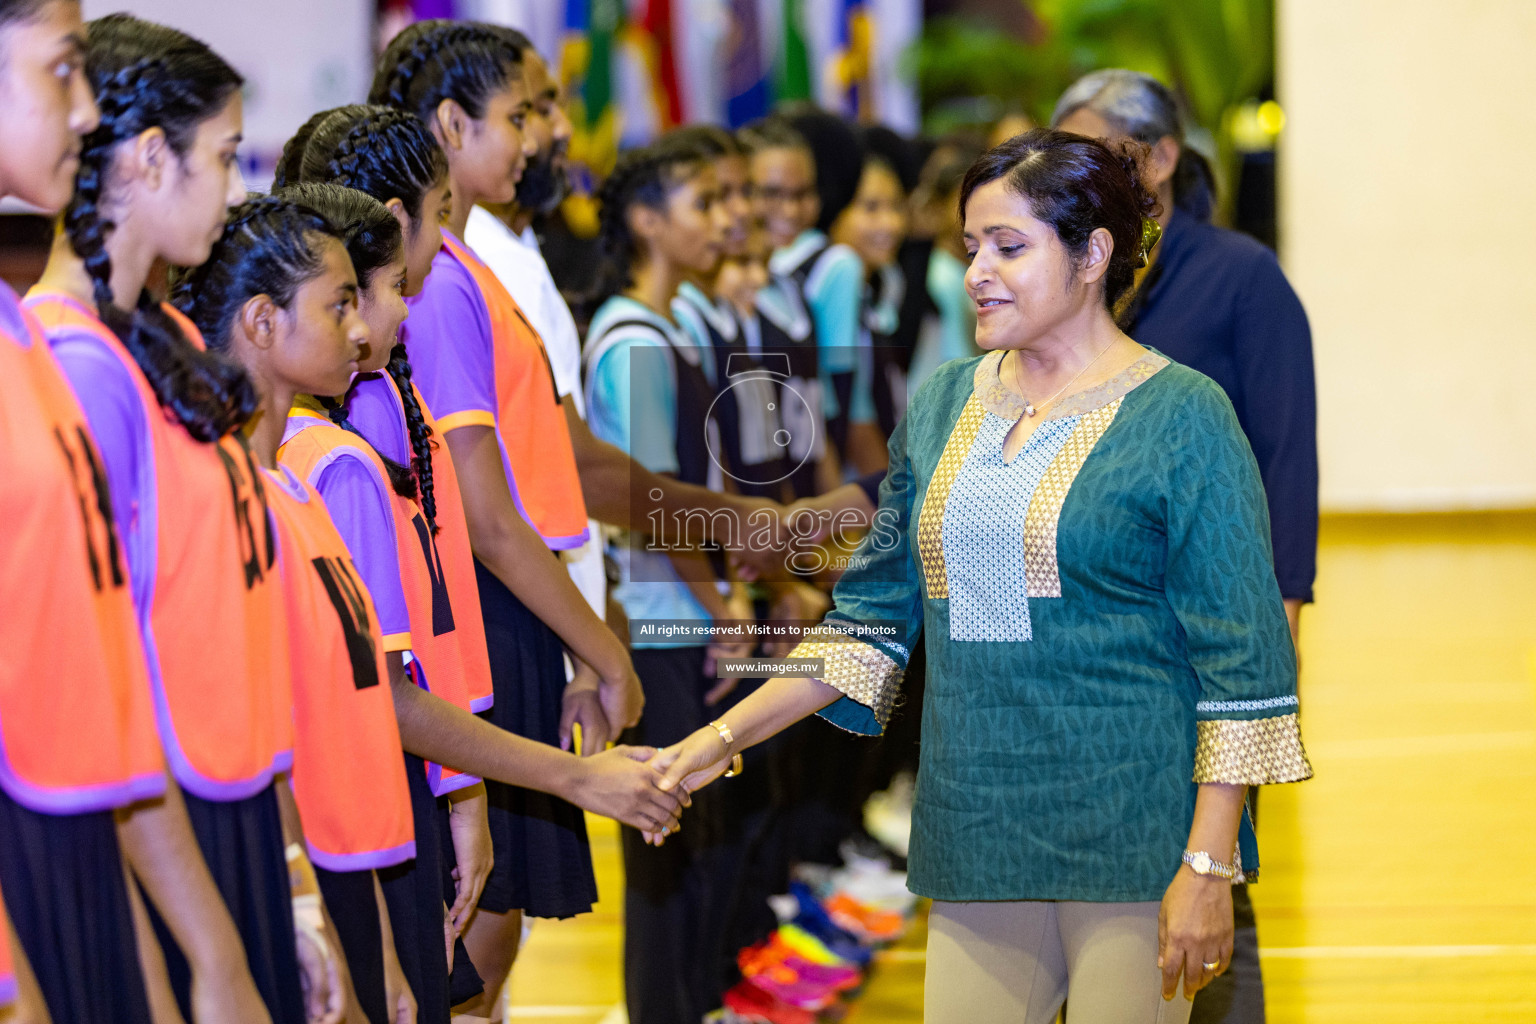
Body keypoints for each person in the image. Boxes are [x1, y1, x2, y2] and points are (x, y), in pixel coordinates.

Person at [649, 129, 1313, 1024]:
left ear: (1092, 254)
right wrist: (717, 741)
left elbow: (1244, 666)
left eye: (1009, 246)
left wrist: (1207, 865)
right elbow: (866, 624)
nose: (977, 274)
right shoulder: (944, 404)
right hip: (976, 830)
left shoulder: (1186, 416)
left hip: (1133, 833)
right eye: (970, 249)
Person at [23, 13, 343, 1024]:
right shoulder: (73, 365)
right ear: (150, 160)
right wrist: (209, 950)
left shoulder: (159, 334)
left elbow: (236, 626)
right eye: (223, 155)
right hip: (154, 833)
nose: (238, 185)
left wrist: (290, 886)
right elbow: (104, 674)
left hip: (231, 803)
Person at [369, 22, 683, 1008]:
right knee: (472, 944)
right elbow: (490, 514)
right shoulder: (438, 284)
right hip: (491, 603)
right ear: (451, 125)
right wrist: (606, 651)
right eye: (524, 114)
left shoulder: (475, 265)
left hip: (516, 603)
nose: (545, 136)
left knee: (484, 944)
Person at [1053, 69, 1318, 1024]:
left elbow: (1286, 465)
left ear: (1161, 157)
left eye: (1103, 152)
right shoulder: (1069, 276)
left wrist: (1275, 638)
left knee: (1211, 868)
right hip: (1085, 632)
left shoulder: (1241, 276)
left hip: (1207, 632)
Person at [176, 185, 415, 1024]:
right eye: (339, 302)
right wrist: (308, 904)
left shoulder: (291, 487)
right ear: (263, 322)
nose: (361, 327)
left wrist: (371, 931)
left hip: (340, 870)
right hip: (269, 872)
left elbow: (342, 719)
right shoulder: (224, 501)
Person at [582, 135, 744, 1024]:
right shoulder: (633, 337)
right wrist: (721, 608)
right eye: (703, 204)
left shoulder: (675, 322)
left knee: (700, 836)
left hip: (686, 608)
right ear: (648, 221)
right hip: (660, 618)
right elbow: (652, 500)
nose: (723, 223)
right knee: (665, 844)